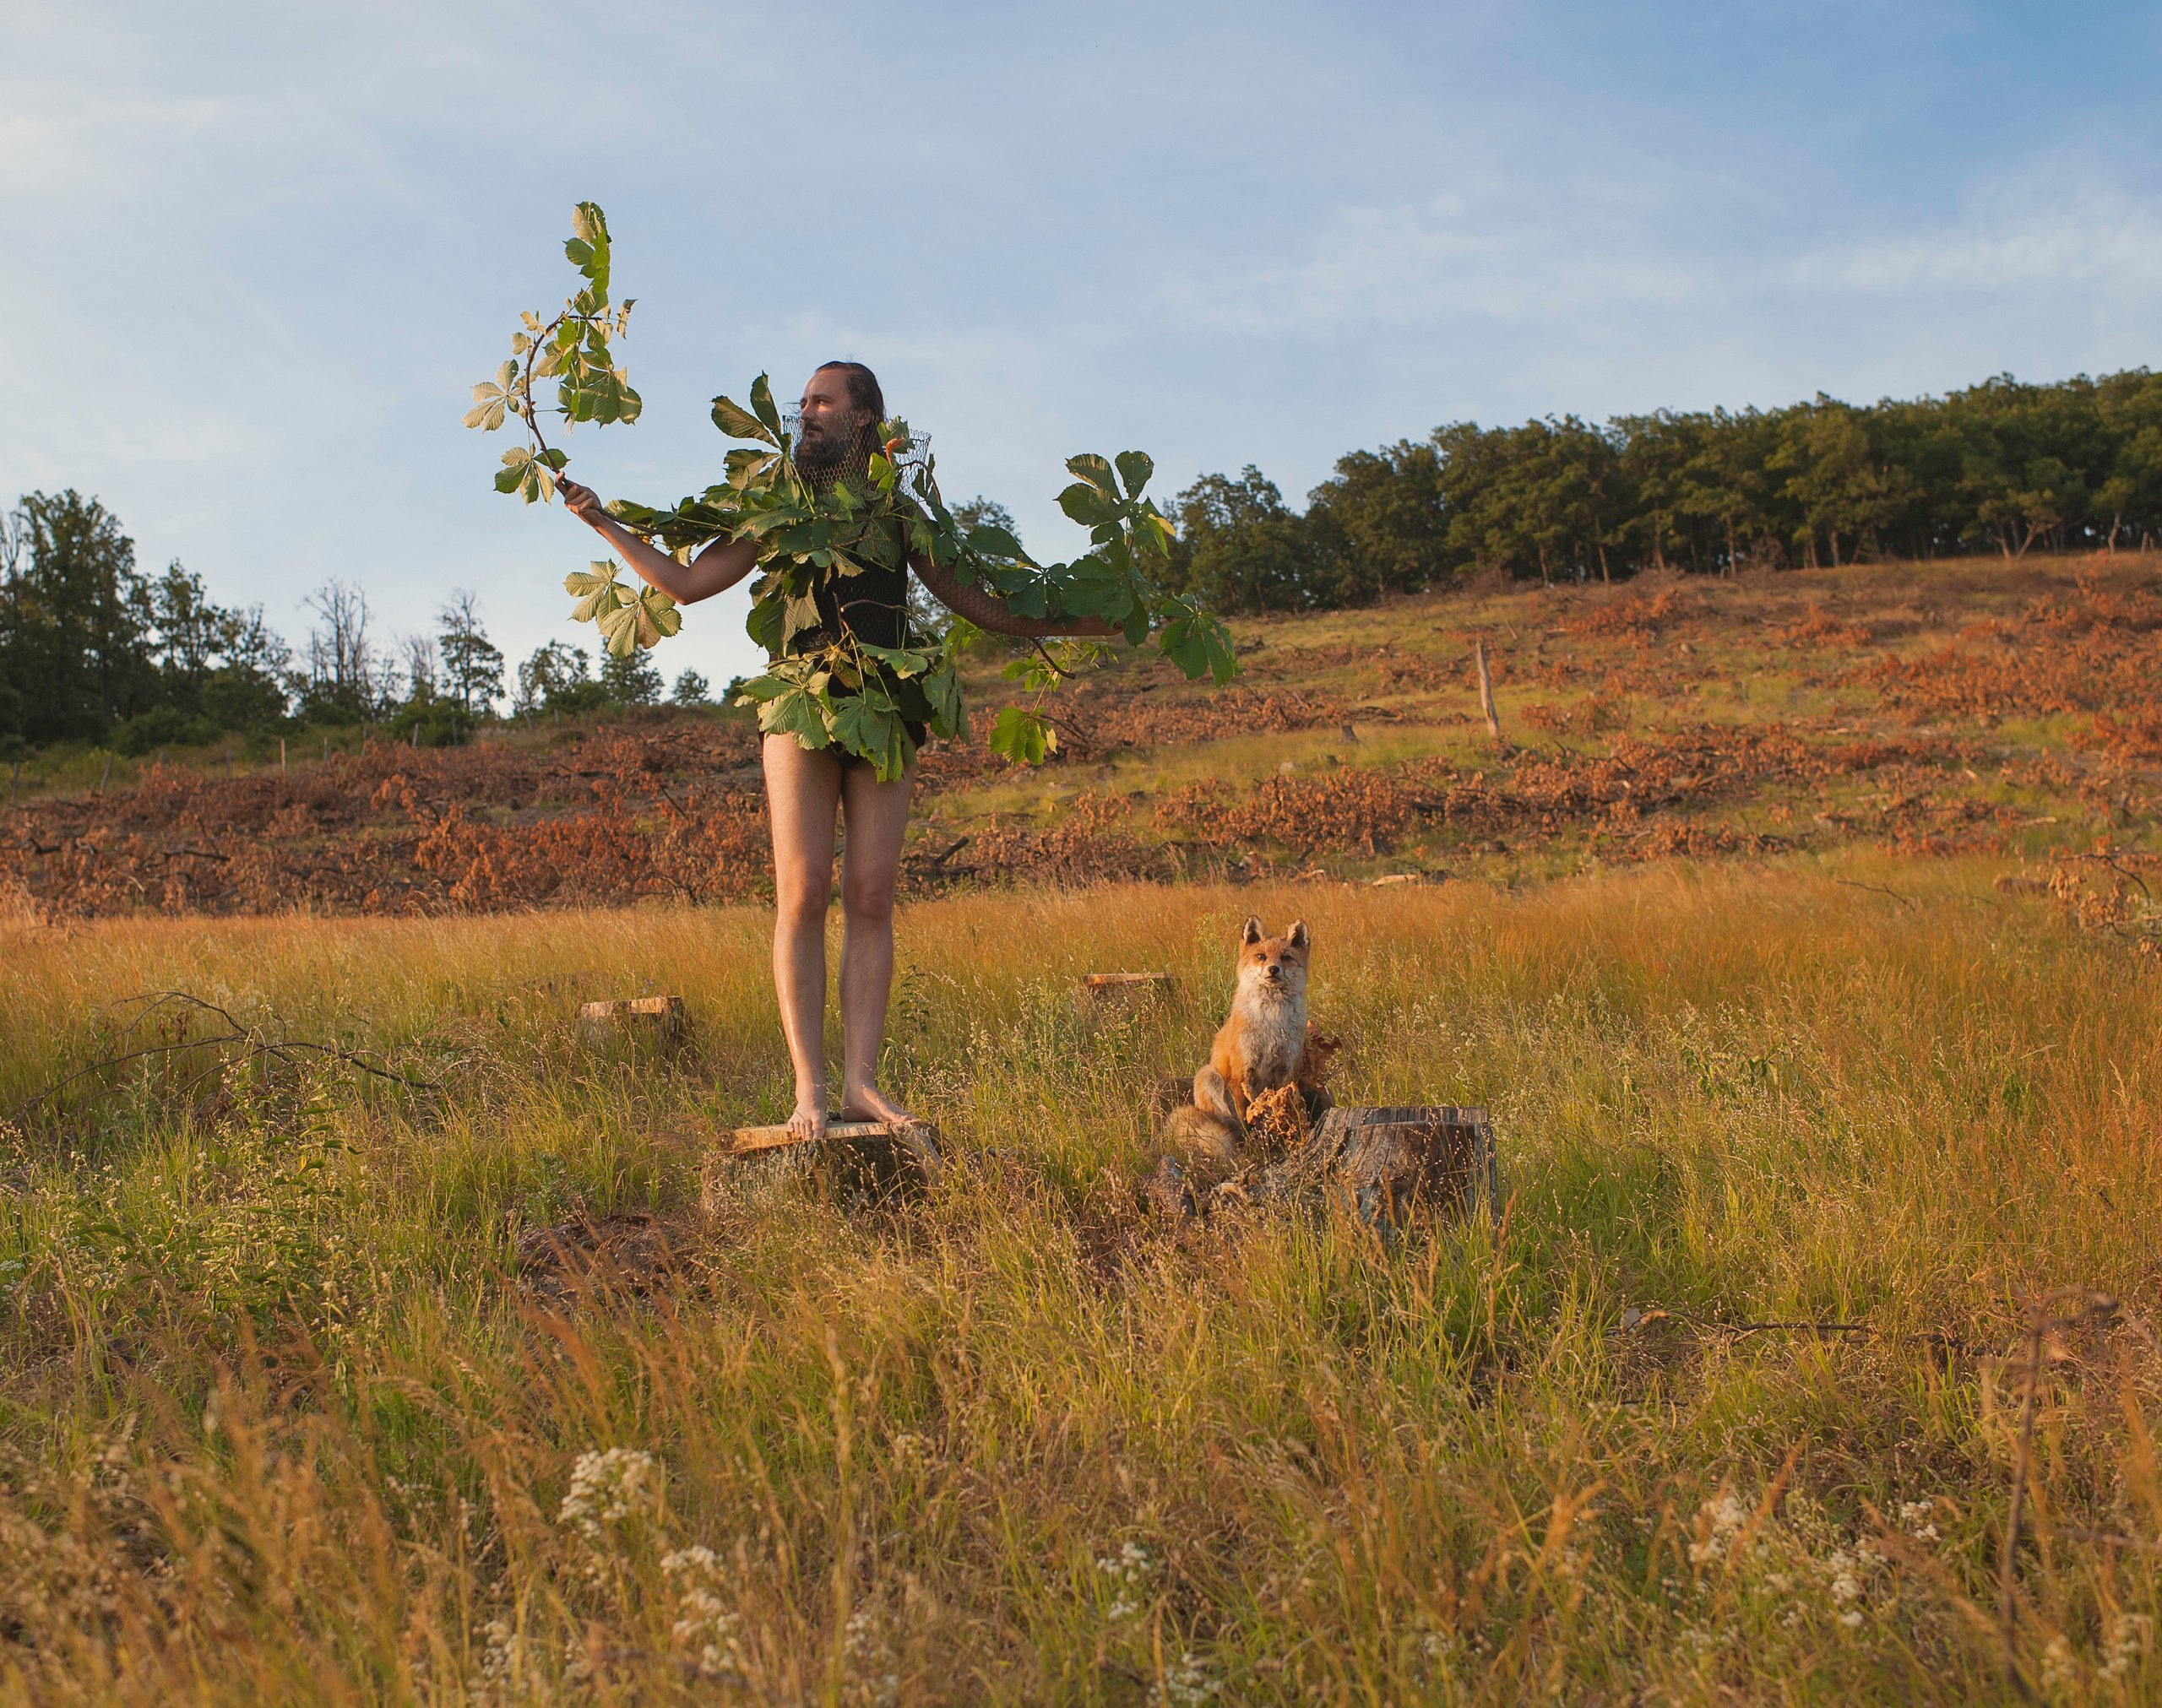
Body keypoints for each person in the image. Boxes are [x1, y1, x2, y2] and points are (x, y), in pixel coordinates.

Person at [558, 361, 1111, 1145]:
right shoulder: (778, 507)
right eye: (803, 402)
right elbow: (685, 582)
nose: (806, 412)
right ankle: (808, 1089)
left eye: (822, 401)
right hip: (799, 703)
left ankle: (860, 1083)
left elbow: (987, 606)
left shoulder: (899, 512)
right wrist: (601, 522)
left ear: (865, 420)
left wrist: (1097, 622)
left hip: (886, 703)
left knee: (874, 892)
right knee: (803, 891)